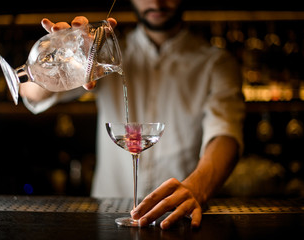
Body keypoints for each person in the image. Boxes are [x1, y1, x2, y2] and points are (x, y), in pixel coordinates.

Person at [19, 0, 245, 229]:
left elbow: (226, 134)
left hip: (179, 217)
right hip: (109, 218)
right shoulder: (100, 55)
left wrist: (197, 188)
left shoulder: (217, 63)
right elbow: (31, 93)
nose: (156, 1)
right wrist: (60, 56)